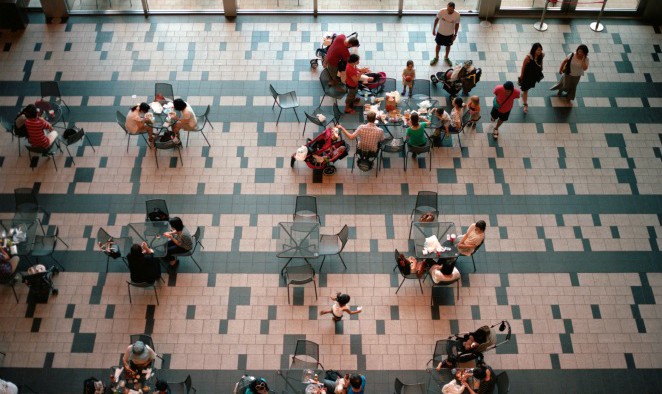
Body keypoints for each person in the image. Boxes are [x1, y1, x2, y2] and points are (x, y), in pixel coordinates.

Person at [431, 2, 460, 67]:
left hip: (449, 34)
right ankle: (436, 57)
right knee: (438, 45)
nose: (448, 11)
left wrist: (455, 35)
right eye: (448, 9)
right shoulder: (442, 11)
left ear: (454, 8)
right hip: (440, 32)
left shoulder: (457, 15)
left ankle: (446, 57)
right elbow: (436, 19)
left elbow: (457, 25)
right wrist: (434, 29)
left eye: (450, 10)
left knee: (448, 46)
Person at [519, 43, 544, 114]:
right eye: (538, 50)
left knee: (527, 88)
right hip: (527, 76)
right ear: (534, 50)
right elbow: (523, 67)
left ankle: (524, 94)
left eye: (540, 50)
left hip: (534, 76)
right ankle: (525, 105)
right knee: (526, 90)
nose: (539, 51)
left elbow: (541, 62)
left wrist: (541, 66)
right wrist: (521, 76)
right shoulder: (528, 58)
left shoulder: (541, 55)